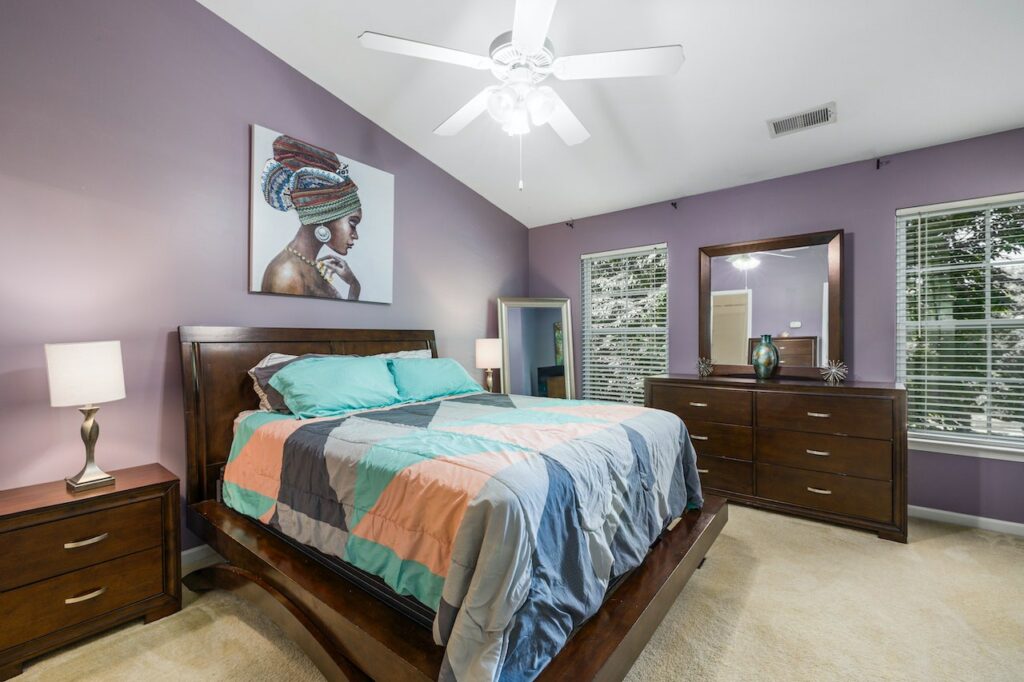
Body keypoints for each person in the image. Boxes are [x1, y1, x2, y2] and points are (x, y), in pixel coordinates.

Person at [259, 134, 362, 300]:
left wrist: (354, 285)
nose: (355, 235)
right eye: (353, 223)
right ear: (324, 215)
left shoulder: (310, 265)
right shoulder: (286, 274)